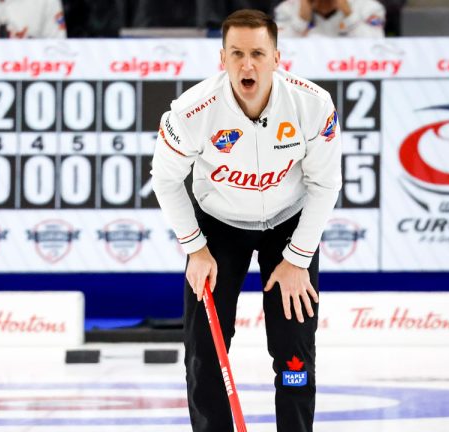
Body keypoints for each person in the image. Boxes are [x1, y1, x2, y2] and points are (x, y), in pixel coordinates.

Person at [150, 8, 341, 432]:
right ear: (222, 59)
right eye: (236, 53)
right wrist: (195, 250)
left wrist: (297, 260)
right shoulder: (191, 111)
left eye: (258, 53)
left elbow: (326, 185)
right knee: (204, 351)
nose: (247, 64)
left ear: (277, 57)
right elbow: (164, 179)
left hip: (288, 223)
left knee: (295, 349)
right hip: (218, 225)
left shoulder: (312, 104)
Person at [274, 0, 385, 37]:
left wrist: (349, 15)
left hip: (351, 71)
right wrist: (301, 21)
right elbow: (278, 49)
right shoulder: (288, 8)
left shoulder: (368, 6)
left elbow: (376, 46)